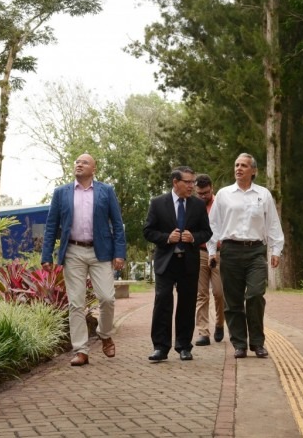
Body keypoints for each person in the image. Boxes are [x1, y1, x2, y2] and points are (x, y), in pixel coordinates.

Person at [41, 153, 127, 367]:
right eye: (77, 162)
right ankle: (81, 350)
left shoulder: (106, 191)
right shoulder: (61, 193)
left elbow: (117, 224)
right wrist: (46, 256)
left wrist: (119, 253)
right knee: (76, 304)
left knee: (107, 298)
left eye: (84, 162)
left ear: (94, 169)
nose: (79, 164)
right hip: (73, 252)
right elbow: (52, 225)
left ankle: (105, 334)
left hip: (101, 252)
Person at [207, 153, 284, 359]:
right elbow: (213, 225)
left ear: (253, 170)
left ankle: (257, 342)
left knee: (255, 295)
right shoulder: (224, 194)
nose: (238, 168)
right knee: (233, 301)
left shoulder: (263, 194)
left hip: (256, 251)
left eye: (243, 165)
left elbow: (273, 224)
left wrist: (276, 250)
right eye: (236, 164)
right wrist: (212, 251)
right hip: (230, 251)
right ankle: (239, 343)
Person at [143, 166, 212, 362]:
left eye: (193, 182)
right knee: (163, 301)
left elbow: (207, 232)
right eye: (188, 182)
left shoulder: (197, 205)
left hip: (189, 262)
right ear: (175, 182)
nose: (192, 186)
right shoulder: (157, 203)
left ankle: (183, 346)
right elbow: (148, 231)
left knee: (187, 304)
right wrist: (166, 238)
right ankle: (160, 347)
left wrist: (194, 237)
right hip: (166, 261)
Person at [193, 174, 225, 346]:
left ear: (211, 188)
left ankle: (220, 324)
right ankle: (203, 332)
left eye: (205, 193)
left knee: (219, 293)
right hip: (200, 252)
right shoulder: (194, 205)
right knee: (201, 294)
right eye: (199, 193)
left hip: (220, 253)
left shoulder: (220, 203)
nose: (202, 196)